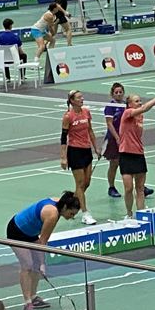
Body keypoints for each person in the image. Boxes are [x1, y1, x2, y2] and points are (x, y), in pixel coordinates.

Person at [6, 192, 81, 310]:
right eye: (71, 213)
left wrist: (40, 263)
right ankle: (27, 304)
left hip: (31, 233)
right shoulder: (52, 214)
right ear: (65, 207)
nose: (72, 217)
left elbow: (41, 242)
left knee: (36, 264)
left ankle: (33, 297)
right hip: (16, 231)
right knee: (27, 265)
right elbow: (43, 242)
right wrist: (42, 263)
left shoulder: (60, 202)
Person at [115, 91, 155, 214]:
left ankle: (141, 214)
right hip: (126, 154)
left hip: (138, 154)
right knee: (128, 188)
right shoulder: (127, 113)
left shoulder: (140, 116)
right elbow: (144, 108)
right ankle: (129, 213)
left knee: (140, 189)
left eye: (140, 101)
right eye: (137, 101)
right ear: (129, 104)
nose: (140, 103)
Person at [59, 90, 101, 225]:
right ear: (72, 101)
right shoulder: (68, 116)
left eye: (82, 97)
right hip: (74, 152)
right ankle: (85, 213)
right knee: (80, 184)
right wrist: (63, 157)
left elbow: (90, 130)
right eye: (79, 97)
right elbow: (63, 138)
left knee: (86, 183)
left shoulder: (86, 112)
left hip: (87, 150)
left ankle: (69, 203)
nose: (82, 99)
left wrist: (96, 147)